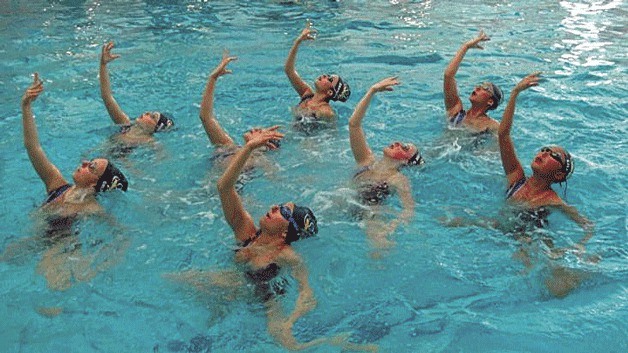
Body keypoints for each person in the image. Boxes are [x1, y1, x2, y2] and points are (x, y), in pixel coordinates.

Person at [9, 73, 129, 290]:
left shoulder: (91, 207)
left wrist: (100, 266)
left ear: (94, 185)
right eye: (89, 162)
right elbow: (33, 147)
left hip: (59, 251)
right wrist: (26, 107)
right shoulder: (57, 185)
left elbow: (121, 235)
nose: (84, 162)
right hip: (33, 237)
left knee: (50, 304)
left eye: (90, 167)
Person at [499, 72, 594, 297]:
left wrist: (580, 246)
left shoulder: (552, 200)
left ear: (560, 175)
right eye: (544, 149)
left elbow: (587, 225)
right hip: (502, 228)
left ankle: (575, 274)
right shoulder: (516, 178)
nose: (544, 153)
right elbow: (503, 135)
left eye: (553, 155)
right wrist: (514, 93)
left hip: (531, 238)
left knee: (539, 276)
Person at [348, 77, 423, 251]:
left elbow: (408, 210)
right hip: (341, 205)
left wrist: (391, 227)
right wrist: (372, 91)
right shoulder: (366, 160)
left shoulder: (398, 179)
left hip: (371, 216)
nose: (397, 142)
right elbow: (354, 124)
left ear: (405, 161)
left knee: (379, 248)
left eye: (404, 148)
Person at [199, 51, 282, 174]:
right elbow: (206, 117)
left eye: (260, 132)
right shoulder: (229, 146)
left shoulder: (258, 162)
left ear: (266, 144)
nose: (256, 128)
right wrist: (213, 78)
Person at [99, 41, 174, 147]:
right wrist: (103, 65)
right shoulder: (125, 124)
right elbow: (107, 97)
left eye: (152, 117)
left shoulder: (150, 143)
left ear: (155, 128)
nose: (147, 112)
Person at [285, 20, 351, 125]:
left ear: (330, 92)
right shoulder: (306, 94)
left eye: (329, 79)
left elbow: (330, 135)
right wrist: (298, 42)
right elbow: (289, 70)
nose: (325, 75)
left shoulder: (326, 112)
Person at [443, 30, 503, 134]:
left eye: (484, 88)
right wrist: (466, 46)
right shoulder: (455, 111)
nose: (477, 88)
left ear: (490, 101)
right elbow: (448, 76)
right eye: (479, 85)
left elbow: (494, 149)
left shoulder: (492, 126)